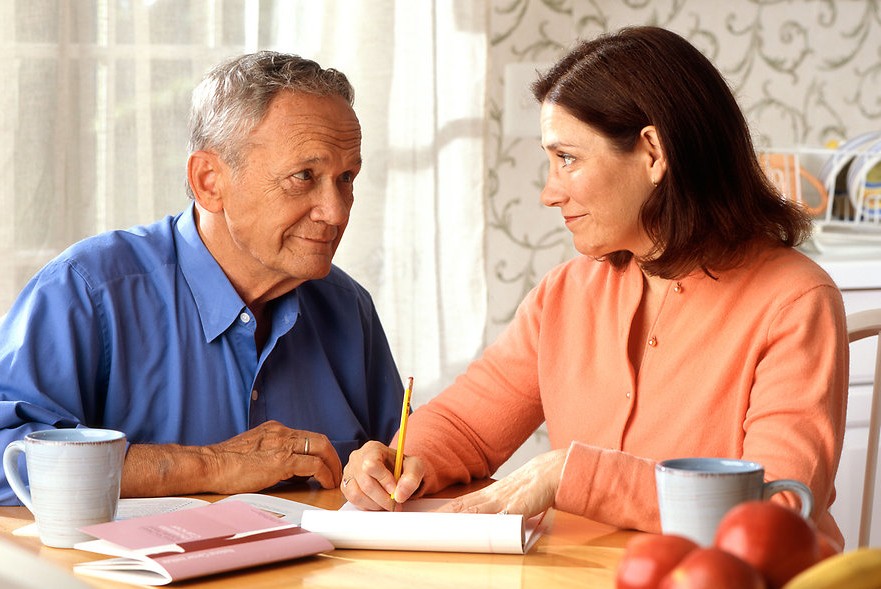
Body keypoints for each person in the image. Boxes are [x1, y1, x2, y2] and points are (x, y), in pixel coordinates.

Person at [341, 26, 849, 545]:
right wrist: (397, 461)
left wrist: (572, 475)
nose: (548, 193)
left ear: (652, 153)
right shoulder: (565, 293)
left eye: (567, 158)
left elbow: (778, 504)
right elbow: (468, 426)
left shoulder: (795, 300)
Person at [0, 51, 404, 504]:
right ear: (209, 180)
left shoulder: (349, 308)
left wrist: (394, 469)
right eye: (304, 176)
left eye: (346, 178)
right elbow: (5, 456)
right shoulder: (86, 292)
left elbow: (398, 462)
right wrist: (211, 464)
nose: (336, 212)